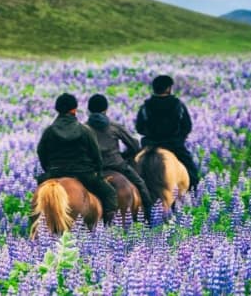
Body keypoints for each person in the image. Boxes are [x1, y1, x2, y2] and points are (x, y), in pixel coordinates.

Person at [36, 93, 118, 224]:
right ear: (74, 110)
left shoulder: (49, 131)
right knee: (110, 194)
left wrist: (49, 170)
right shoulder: (84, 130)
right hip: (84, 173)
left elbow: (41, 152)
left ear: (57, 109)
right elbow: (96, 154)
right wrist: (99, 172)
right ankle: (110, 228)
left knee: (38, 195)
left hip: (55, 172)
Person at [85, 94, 155, 216]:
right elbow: (134, 145)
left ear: (89, 110)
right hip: (116, 165)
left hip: (93, 168)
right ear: (105, 110)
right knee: (140, 183)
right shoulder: (114, 126)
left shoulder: (83, 128)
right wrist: (123, 155)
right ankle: (149, 215)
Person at [135, 75, 200, 190]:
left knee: (132, 170)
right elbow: (187, 126)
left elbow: (139, 128)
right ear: (169, 88)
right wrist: (179, 137)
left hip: (150, 146)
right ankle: (193, 195)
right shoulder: (178, 105)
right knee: (192, 173)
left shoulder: (146, 106)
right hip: (174, 145)